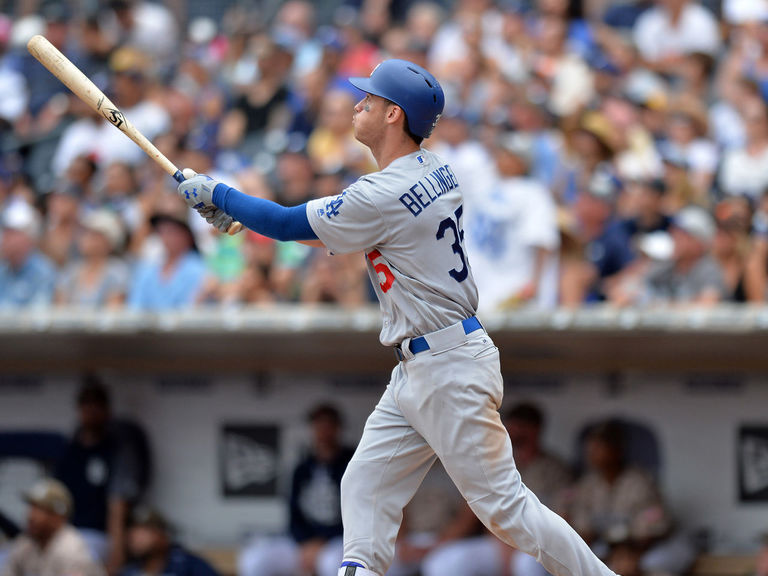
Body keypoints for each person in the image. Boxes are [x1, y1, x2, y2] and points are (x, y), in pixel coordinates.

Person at [178, 58, 617, 576]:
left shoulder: (383, 193)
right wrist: (238, 213)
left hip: (447, 363)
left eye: (371, 98)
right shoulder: (436, 169)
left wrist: (219, 194)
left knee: (507, 509)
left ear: (394, 115)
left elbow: (286, 222)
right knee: (364, 481)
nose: (358, 104)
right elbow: (320, 230)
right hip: (425, 362)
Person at [418, 402, 573, 576]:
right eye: (512, 426)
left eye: (522, 427)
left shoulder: (555, 470)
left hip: (541, 544)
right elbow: (488, 513)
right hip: (501, 541)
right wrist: (505, 547)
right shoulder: (497, 465)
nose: (514, 433)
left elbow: (563, 517)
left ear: (535, 429)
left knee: (526, 565)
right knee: (445, 563)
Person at [238, 404, 355, 576]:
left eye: (328, 425)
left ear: (338, 428)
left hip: (341, 540)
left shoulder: (354, 464)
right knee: (255, 560)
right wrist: (305, 542)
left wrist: (322, 541)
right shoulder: (302, 469)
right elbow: (293, 514)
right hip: (303, 543)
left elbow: (358, 513)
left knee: (333, 565)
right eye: (318, 425)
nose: (323, 431)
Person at [566, 420, 695, 575]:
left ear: (616, 450)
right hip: (611, 547)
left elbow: (651, 532)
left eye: (599, 447)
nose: (591, 452)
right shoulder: (587, 484)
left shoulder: (639, 481)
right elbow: (583, 531)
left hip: (654, 546)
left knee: (651, 565)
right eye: (590, 447)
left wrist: (627, 554)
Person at [56, 376, 150, 572]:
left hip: (98, 535)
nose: (91, 410)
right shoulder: (69, 451)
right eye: (86, 404)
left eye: (97, 405)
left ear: (107, 410)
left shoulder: (117, 450)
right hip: (66, 534)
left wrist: (116, 553)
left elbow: (118, 506)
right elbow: (58, 502)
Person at [0, 478, 104, 576]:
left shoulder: (72, 551)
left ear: (58, 517)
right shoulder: (26, 542)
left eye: (40, 510)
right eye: (32, 508)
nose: (31, 516)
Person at [119, 507, 218, 576]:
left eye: (144, 530)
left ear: (163, 535)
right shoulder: (129, 571)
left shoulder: (190, 566)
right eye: (132, 530)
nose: (135, 537)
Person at [0, 201, 56, 308]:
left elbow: (38, 318)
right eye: (5, 232)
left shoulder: (43, 273)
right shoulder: (2, 270)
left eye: (12, 233)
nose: (5, 239)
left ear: (28, 237)